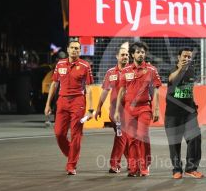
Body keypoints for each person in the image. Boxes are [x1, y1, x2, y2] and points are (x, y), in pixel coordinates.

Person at [44, 38, 94, 175]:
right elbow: (54, 84)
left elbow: (89, 88)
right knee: (59, 133)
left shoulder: (85, 66)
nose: (74, 50)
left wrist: (90, 109)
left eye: (77, 48)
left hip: (78, 102)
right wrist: (48, 104)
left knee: (76, 135)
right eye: (72, 48)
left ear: (80, 50)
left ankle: (71, 165)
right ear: (67, 49)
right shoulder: (60, 64)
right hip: (62, 102)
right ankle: (72, 153)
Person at [114, 41, 161, 177]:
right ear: (133, 54)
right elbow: (121, 91)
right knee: (131, 138)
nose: (141, 54)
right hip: (129, 108)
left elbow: (156, 90)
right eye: (138, 52)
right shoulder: (126, 70)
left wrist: (156, 109)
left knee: (142, 135)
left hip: (144, 107)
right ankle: (134, 168)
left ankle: (144, 165)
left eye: (143, 52)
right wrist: (117, 110)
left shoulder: (151, 70)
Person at [164, 48, 203, 179]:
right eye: (185, 56)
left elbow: (189, 91)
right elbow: (171, 79)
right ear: (178, 57)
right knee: (174, 143)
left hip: (189, 113)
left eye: (189, 56)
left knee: (195, 138)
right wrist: (180, 69)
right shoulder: (172, 69)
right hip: (172, 113)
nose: (187, 58)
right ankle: (176, 169)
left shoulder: (192, 71)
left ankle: (191, 168)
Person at [95, 42, 129, 173]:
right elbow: (104, 92)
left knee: (123, 136)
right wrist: (98, 108)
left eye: (127, 55)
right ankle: (116, 164)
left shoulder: (133, 71)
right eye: (122, 55)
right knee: (121, 135)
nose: (125, 57)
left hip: (130, 111)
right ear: (117, 56)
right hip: (115, 112)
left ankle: (128, 162)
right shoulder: (110, 73)